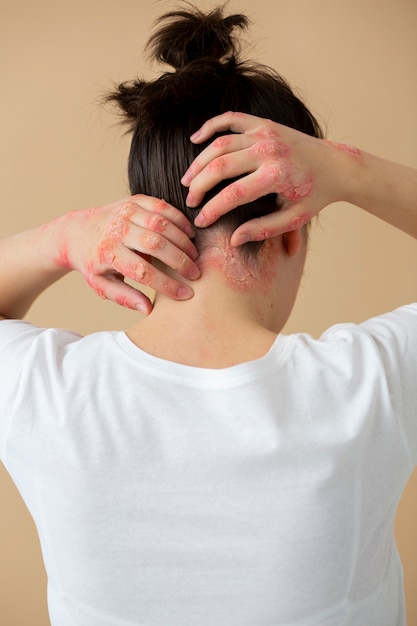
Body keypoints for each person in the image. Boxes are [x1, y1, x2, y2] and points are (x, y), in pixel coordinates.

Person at [1, 5, 416, 626]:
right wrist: (348, 169)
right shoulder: (373, 385)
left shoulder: (41, 393)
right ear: (293, 232)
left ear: (134, 223)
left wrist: (61, 238)